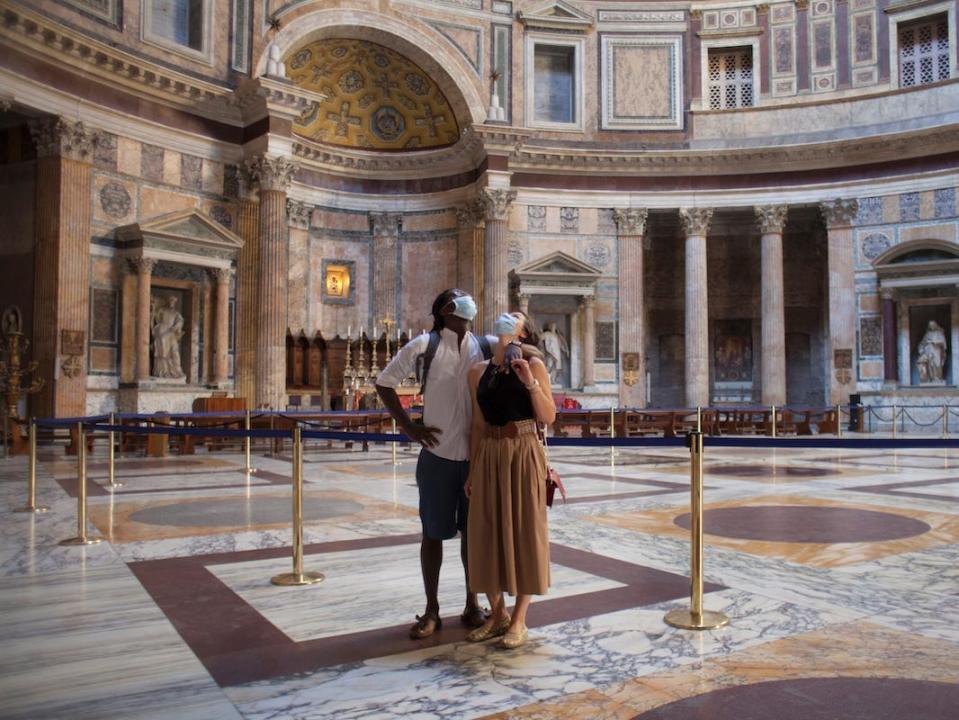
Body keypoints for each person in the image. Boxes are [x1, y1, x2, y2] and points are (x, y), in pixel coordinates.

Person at [374, 289, 493, 639]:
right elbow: (384, 382)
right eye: (459, 300)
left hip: (474, 458)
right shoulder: (424, 345)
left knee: (473, 535)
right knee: (433, 534)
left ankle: (472, 604)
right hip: (437, 456)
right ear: (443, 310)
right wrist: (408, 425)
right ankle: (431, 609)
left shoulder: (483, 345)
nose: (469, 303)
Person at [465, 311, 556, 649]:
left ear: (523, 331)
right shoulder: (477, 372)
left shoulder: (535, 366)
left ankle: (519, 619)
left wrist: (528, 380)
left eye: (515, 317)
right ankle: (498, 614)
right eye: (505, 315)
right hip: (489, 451)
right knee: (486, 532)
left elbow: (548, 418)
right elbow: (476, 424)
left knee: (525, 532)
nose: (507, 317)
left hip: (524, 451)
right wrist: (473, 469)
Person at [152, 295, 185, 378]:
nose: (172, 303)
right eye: (170, 301)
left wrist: (175, 327)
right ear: (168, 302)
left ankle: (176, 371)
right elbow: (154, 317)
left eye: (173, 301)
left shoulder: (176, 313)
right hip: (162, 333)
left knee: (175, 352)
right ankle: (163, 372)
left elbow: (180, 321)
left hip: (171, 333)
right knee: (163, 353)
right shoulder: (161, 310)